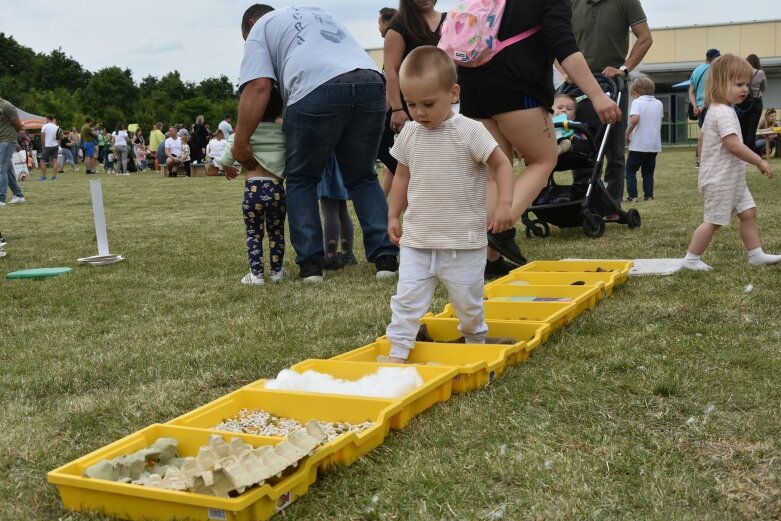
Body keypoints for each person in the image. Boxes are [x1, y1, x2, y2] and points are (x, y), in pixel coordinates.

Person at [457, 0, 623, 279]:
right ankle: (500, 228)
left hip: (472, 86)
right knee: (544, 158)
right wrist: (596, 95)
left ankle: (491, 262)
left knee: (493, 174)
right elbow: (564, 44)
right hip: (517, 86)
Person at [235, 4, 399, 282]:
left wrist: (240, 140)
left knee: (302, 179)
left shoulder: (260, 29)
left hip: (314, 89)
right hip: (371, 81)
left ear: (251, 24)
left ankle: (311, 265)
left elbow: (258, 86)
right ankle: (386, 259)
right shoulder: (320, 12)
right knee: (362, 177)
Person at [384, 46, 514, 364]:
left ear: (453, 93)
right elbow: (401, 176)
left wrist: (505, 205)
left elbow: (502, 165)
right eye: (411, 103)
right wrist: (392, 213)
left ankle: (475, 341)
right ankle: (398, 352)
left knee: (468, 303)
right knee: (407, 299)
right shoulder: (410, 134)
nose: (419, 112)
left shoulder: (470, 130)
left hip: (463, 242)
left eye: (428, 103)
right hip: (418, 239)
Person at [681, 54, 781, 271]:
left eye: (746, 84)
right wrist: (759, 161)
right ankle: (691, 260)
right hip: (721, 179)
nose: (745, 89)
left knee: (748, 212)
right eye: (738, 84)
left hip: (730, 177)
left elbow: (702, 138)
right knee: (713, 221)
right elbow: (733, 145)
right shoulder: (723, 113)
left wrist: (702, 162)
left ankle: (755, 254)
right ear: (719, 83)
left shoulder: (718, 110)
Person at [572, 0, 653, 216]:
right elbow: (555, 40)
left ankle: (611, 205)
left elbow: (645, 38)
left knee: (613, 149)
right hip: (578, 83)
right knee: (579, 144)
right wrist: (566, 69)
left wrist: (624, 68)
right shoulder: (571, 3)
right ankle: (581, 200)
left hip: (612, 82)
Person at [222, 86, 287, 285]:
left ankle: (256, 274)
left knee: (253, 233)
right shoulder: (283, 131)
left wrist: (228, 169)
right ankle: (277, 272)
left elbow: (226, 158)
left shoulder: (244, 132)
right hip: (276, 188)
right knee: (276, 232)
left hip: (253, 190)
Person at [380, 0, 446, 197]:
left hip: (442, 104)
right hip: (410, 107)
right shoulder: (400, 24)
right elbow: (391, 69)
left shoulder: (448, 20)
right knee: (400, 157)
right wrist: (398, 109)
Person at [624, 77, 662, 202]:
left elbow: (635, 119)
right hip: (654, 144)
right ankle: (649, 195)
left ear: (635, 93)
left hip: (639, 144)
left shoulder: (637, 102)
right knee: (648, 172)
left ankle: (633, 195)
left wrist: (628, 132)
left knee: (630, 170)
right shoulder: (659, 103)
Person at [319, 154, 357, 270]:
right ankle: (347, 254)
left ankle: (330, 256)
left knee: (329, 209)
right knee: (342, 209)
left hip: (328, 160)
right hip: (341, 158)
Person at [689, 48, 720, 167]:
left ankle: (700, 160)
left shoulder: (696, 70)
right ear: (715, 58)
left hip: (700, 107)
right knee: (711, 135)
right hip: (710, 105)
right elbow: (711, 90)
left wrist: (695, 106)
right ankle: (708, 161)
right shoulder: (714, 70)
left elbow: (691, 91)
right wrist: (702, 106)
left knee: (702, 133)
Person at [0, 95, 26, 206]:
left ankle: (1, 199)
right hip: (2, 140)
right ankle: (18, 196)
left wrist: (12, 138)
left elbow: (18, 125)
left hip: (7, 140)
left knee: (1, 169)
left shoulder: (6, 105)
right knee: (5, 169)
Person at [738, 54, 766, 151]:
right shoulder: (760, 72)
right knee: (752, 128)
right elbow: (764, 88)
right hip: (757, 102)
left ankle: (742, 151)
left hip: (743, 102)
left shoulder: (742, 72)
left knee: (743, 127)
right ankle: (750, 151)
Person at [38, 115, 61, 181]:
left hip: (47, 146)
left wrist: (42, 145)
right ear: (52, 119)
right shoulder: (56, 127)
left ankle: (44, 177)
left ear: (47, 119)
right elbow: (58, 138)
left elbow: (42, 137)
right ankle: (54, 177)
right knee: (55, 161)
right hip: (55, 145)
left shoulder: (45, 126)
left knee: (42, 161)